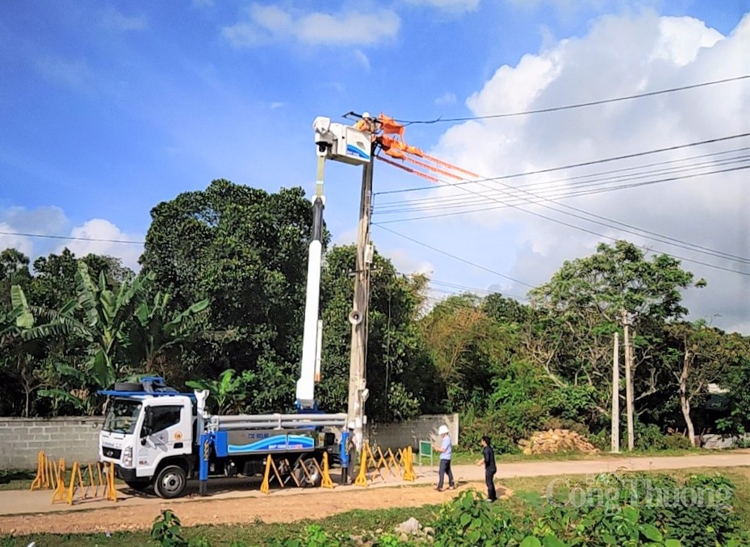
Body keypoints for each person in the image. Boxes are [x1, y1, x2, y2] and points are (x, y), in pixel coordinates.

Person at [433, 424, 455, 491]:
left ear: (444, 433)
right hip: (447, 457)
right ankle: (451, 484)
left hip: (445, 458)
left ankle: (440, 486)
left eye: (441, 433)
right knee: (448, 471)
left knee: (441, 472)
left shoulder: (446, 439)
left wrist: (435, 448)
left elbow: (443, 449)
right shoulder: (447, 439)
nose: (441, 435)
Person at [476, 436, 497, 502]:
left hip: (490, 469)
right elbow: (486, 458)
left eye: (482, 441)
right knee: (491, 482)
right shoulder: (490, 448)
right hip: (493, 467)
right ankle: (493, 496)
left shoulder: (486, 449)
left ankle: (490, 498)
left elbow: (487, 459)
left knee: (488, 482)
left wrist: (480, 463)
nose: (481, 442)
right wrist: (480, 461)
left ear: (484, 442)